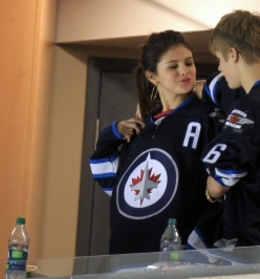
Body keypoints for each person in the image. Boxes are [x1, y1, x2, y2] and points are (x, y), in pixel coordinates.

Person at [89, 30, 224, 254]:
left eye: (189, 62)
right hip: (124, 262)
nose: (184, 71)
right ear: (153, 76)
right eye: (173, 66)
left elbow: (227, 187)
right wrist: (112, 134)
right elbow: (108, 177)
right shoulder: (141, 128)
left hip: (179, 263)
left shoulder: (209, 118)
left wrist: (197, 247)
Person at [188, 10, 260, 249]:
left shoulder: (250, 110)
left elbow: (220, 179)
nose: (220, 67)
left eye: (220, 59)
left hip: (249, 238)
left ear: (233, 54)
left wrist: (209, 193)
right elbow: (216, 87)